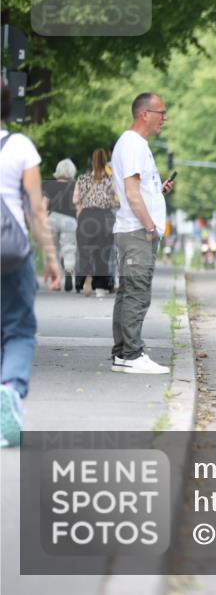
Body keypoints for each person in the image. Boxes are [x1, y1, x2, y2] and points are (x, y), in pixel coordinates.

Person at [1, 81, 61, 447]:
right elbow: (37, 210)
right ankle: (9, 389)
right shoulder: (20, 147)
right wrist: (51, 258)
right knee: (19, 330)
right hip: (11, 253)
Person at [109, 93, 174, 375]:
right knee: (137, 293)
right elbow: (133, 195)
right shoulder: (133, 144)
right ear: (144, 114)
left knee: (127, 293)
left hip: (132, 229)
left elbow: (138, 190)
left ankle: (123, 353)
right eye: (161, 112)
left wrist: (158, 193)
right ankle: (133, 354)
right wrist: (150, 227)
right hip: (137, 231)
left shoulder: (134, 144)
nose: (165, 118)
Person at [74, 148, 118, 297]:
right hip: (105, 217)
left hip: (86, 217)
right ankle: (99, 288)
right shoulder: (111, 180)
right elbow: (116, 200)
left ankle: (87, 276)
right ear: (105, 162)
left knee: (85, 251)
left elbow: (76, 200)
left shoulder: (82, 179)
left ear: (92, 162)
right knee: (102, 253)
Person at [42, 158, 78, 291]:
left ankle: (56, 281)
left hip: (53, 218)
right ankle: (68, 270)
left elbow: (43, 206)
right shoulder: (75, 186)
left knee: (53, 250)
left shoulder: (50, 185)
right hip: (70, 220)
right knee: (69, 249)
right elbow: (78, 204)